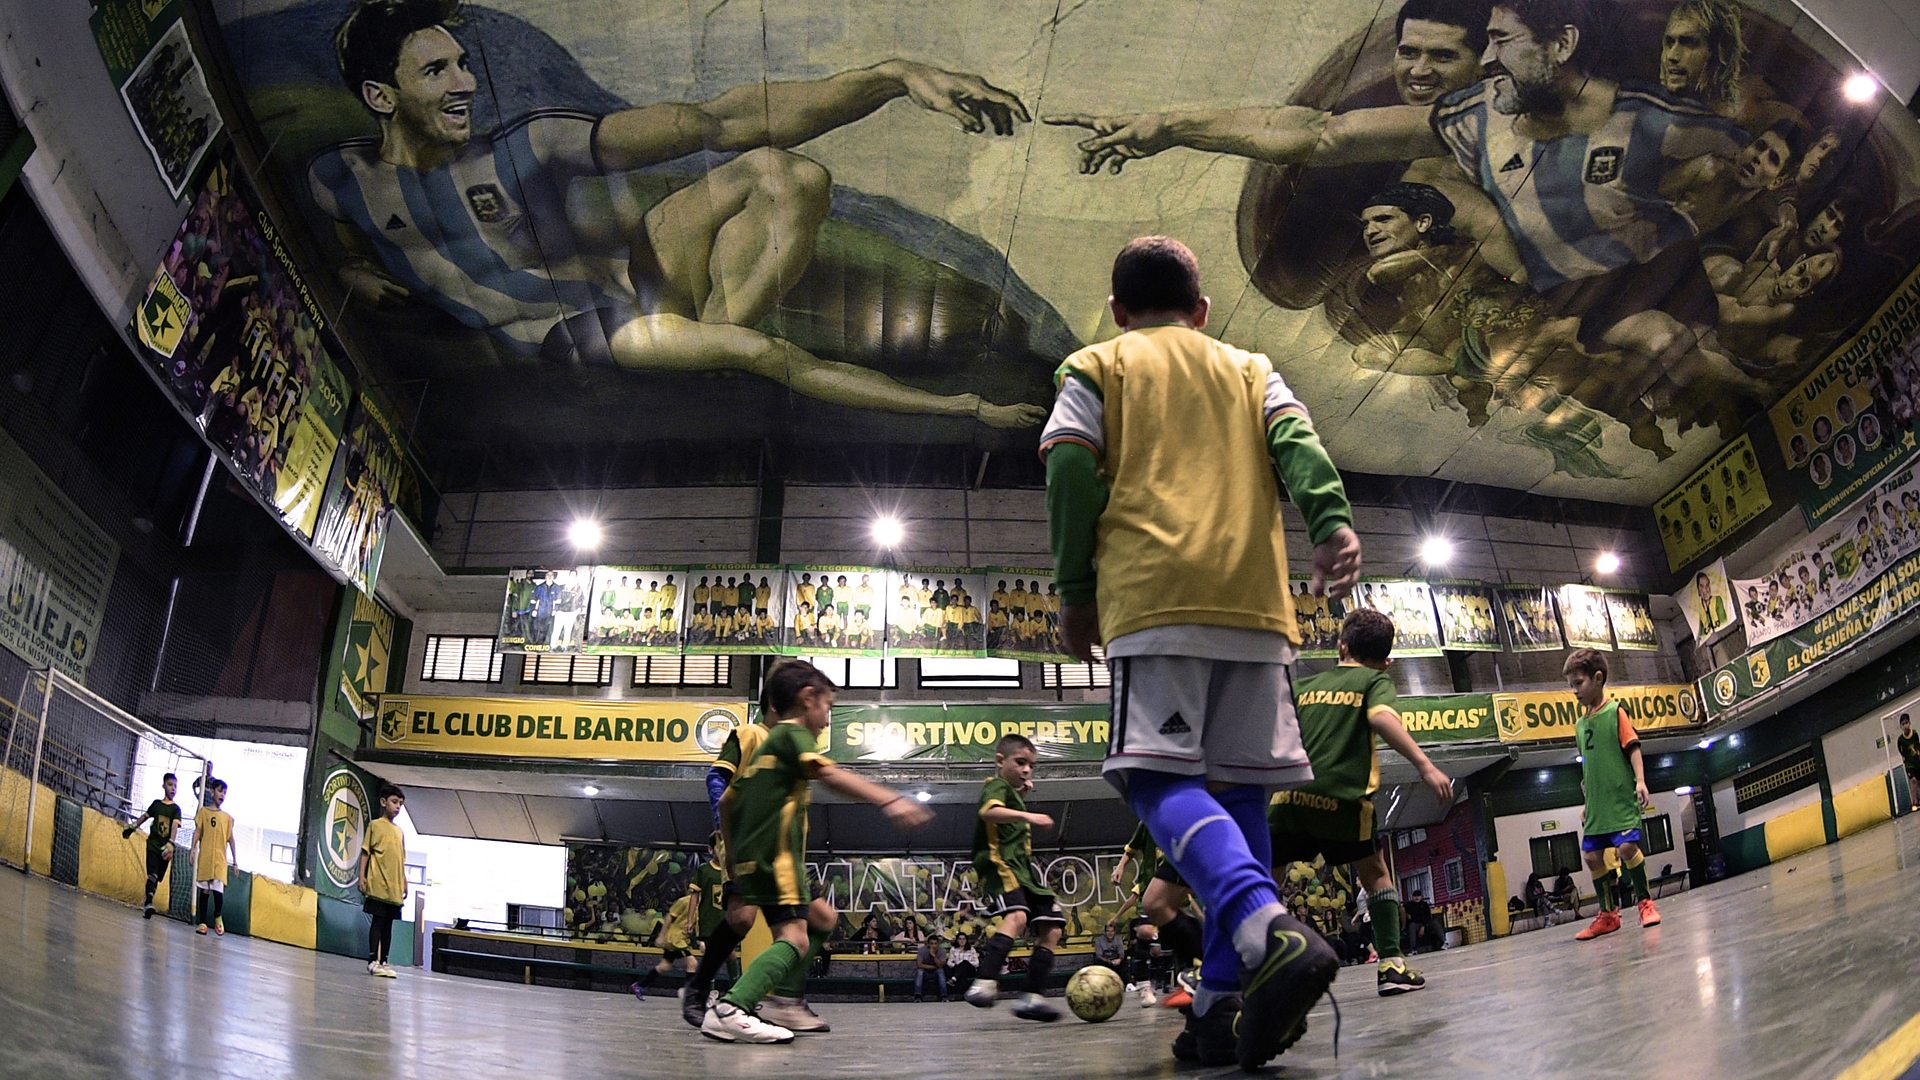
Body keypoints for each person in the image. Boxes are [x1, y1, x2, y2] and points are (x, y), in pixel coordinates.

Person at [1051, 0, 1758, 454]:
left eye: (1487, 46)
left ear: (1556, 45)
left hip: (1638, 276)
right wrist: (1170, 127)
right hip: (1558, 300)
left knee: (1691, 360)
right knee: (1649, 365)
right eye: (1410, 53)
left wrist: (1703, 216)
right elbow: (1317, 134)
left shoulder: (1645, 118)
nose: (1425, 71)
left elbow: (1737, 164)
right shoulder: (1465, 121)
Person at [316, 0, 1042, 430]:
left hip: (630, 291)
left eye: (464, 64)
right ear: (382, 97)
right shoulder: (335, 178)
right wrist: (969, 409)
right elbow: (346, 239)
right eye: (436, 71)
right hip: (585, 333)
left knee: (786, 174)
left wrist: (889, 77)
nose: (467, 84)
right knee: (759, 355)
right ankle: (721, 344)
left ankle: (716, 330)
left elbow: (717, 120)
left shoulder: (526, 147)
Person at [1041, 236, 1361, 1069]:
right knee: (1243, 798)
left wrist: (1076, 591)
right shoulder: (1252, 367)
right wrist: (1331, 525)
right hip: (1258, 608)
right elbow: (1301, 447)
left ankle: (1266, 930)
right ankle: (1217, 1012)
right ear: (1203, 309)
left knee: (1155, 779)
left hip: (1154, 601)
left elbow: (1069, 467)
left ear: (1118, 310)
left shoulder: (1095, 364)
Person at [702, 660, 931, 1044]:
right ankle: (733, 1007)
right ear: (808, 699)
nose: (827, 720)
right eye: (828, 707)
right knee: (796, 939)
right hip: (779, 862)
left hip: (753, 860)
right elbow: (828, 773)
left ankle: (785, 1000)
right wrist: (890, 800)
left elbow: (726, 801)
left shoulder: (766, 749)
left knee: (822, 917)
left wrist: (731, 855)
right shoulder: (792, 735)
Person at [1271, 608, 1454, 995]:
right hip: (1341, 799)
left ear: (1341, 646)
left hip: (1288, 796)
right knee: (1375, 873)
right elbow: (1382, 719)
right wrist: (1425, 765)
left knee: (1266, 877)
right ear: (1387, 662)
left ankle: (1253, 968)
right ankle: (1390, 964)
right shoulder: (1374, 681)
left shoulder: (1306, 687)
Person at [963, 734, 1066, 1022]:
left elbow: (1009, 810)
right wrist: (1030, 816)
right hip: (999, 863)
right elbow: (989, 812)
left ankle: (1031, 997)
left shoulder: (1013, 794)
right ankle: (983, 982)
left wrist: (1022, 797)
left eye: (1031, 766)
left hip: (1025, 871)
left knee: (1052, 927)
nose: (1026, 770)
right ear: (1000, 761)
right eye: (1020, 763)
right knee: (1018, 917)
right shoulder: (995, 785)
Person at [1565, 649, 1663, 940]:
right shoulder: (1580, 725)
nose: (1574, 691)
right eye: (1571, 685)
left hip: (1620, 801)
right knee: (1592, 857)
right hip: (1597, 806)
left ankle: (1645, 902)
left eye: (1578, 683)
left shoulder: (1616, 711)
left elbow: (1633, 747)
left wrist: (1641, 781)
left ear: (1598, 678)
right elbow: (1589, 768)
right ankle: (1608, 915)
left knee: (1626, 850)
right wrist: (1586, 803)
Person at [359, 782, 408, 976]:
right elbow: (365, 852)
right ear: (383, 802)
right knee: (378, 922)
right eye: (394, 802)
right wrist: (361, 876)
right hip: (378, 884)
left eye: (400, 804)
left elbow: (401, 859)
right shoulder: (375, 825)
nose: (397, 806)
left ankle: (385, 960)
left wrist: (404, 880)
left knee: (389, 925)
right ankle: (373, 960)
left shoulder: (400, 832)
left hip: (394, 889)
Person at [123, 772, 183, 919]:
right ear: (164, 785)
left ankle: (148, 903)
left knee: (157, 878)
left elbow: (175, 826)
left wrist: (171, 843)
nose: (173, 788)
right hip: (153, 845)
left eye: (175, 786)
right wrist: (133, 827)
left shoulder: (176, 809)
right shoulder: (156, 804)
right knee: (153, 874)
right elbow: (145, 816)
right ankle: (148, 903)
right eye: (170, 785)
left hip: (166, 849)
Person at [189, 778, 237, 937]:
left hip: (220, 860)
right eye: (219, 790)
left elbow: (231, 839)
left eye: (225, 792)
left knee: (218, 890)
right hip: (206, 858)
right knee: (204, 891)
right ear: (212, 792)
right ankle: (202, 922)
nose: (222, 794)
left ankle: (217, 915)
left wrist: (235, 861)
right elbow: (197, 831)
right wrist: (193, 848)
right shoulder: (203, 812)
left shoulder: (227, 818)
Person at [1403, 889, 1446, 953]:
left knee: (1435, 922)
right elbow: (1407, 914)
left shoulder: (1424, 905)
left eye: (1418, 896)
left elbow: (1428, 917)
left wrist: (1423, 927)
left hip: (1426, 924)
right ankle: (1413, 948)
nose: (1417, 898)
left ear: (1421, 897)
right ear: (1412, 897)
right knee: (1412, 926)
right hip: (1416, 924)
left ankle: (1444, 942)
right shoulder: (1409, 905)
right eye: (1415, 896)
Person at [1897, 714, 1920, 813]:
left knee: (1918, 781)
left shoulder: (1914, 734)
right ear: (1900, 727)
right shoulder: (1900, 740)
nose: (1905, 726)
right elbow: (1901, 751)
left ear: (1909, 723)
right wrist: (1905, 759)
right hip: (1909, 764)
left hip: (1917, 761)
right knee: (1913, 780)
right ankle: (1914, 802)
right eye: (1903, 724)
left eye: (1906, 723)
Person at [914, 935, 948, 1002]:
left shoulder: (942, 951)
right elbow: (919, 965)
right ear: (928, 944)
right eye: (931, 943)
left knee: (940, 971)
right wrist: (934, 967)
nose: (934, 946)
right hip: (925, 973)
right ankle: (917, 996)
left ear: (938, 944)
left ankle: (944, 996)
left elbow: (941, 965)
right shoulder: (922, 950)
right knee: (919, 971)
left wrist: (934, 956)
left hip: (936, 972)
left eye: (935, 943)